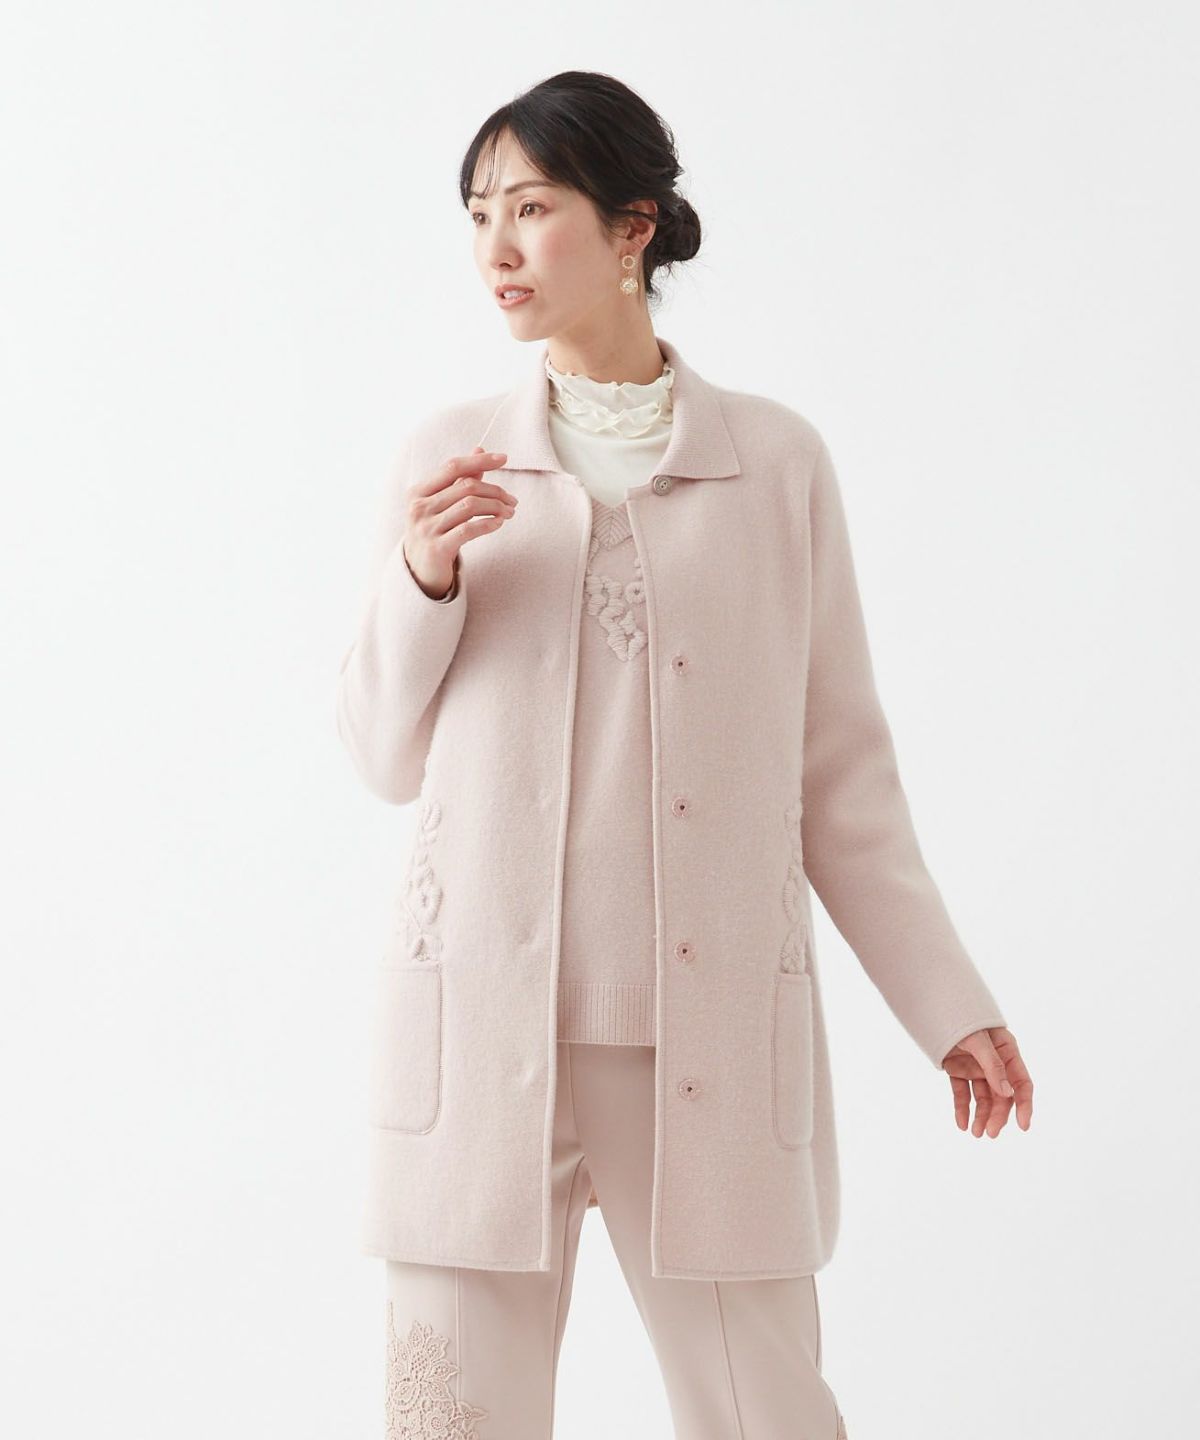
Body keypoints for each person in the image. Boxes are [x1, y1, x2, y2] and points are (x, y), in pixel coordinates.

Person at [337, 70, 1034, 1440]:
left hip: (706, 1041)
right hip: (477, 1038)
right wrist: (424, 577)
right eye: (478, 213)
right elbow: (378, 753)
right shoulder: (450, 459)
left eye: (532, 208)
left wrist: (946, 1002)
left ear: (633, 226)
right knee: (451, 1425)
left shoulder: (775, 466)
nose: (496, 247)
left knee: (766, 1414)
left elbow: (841, 779)